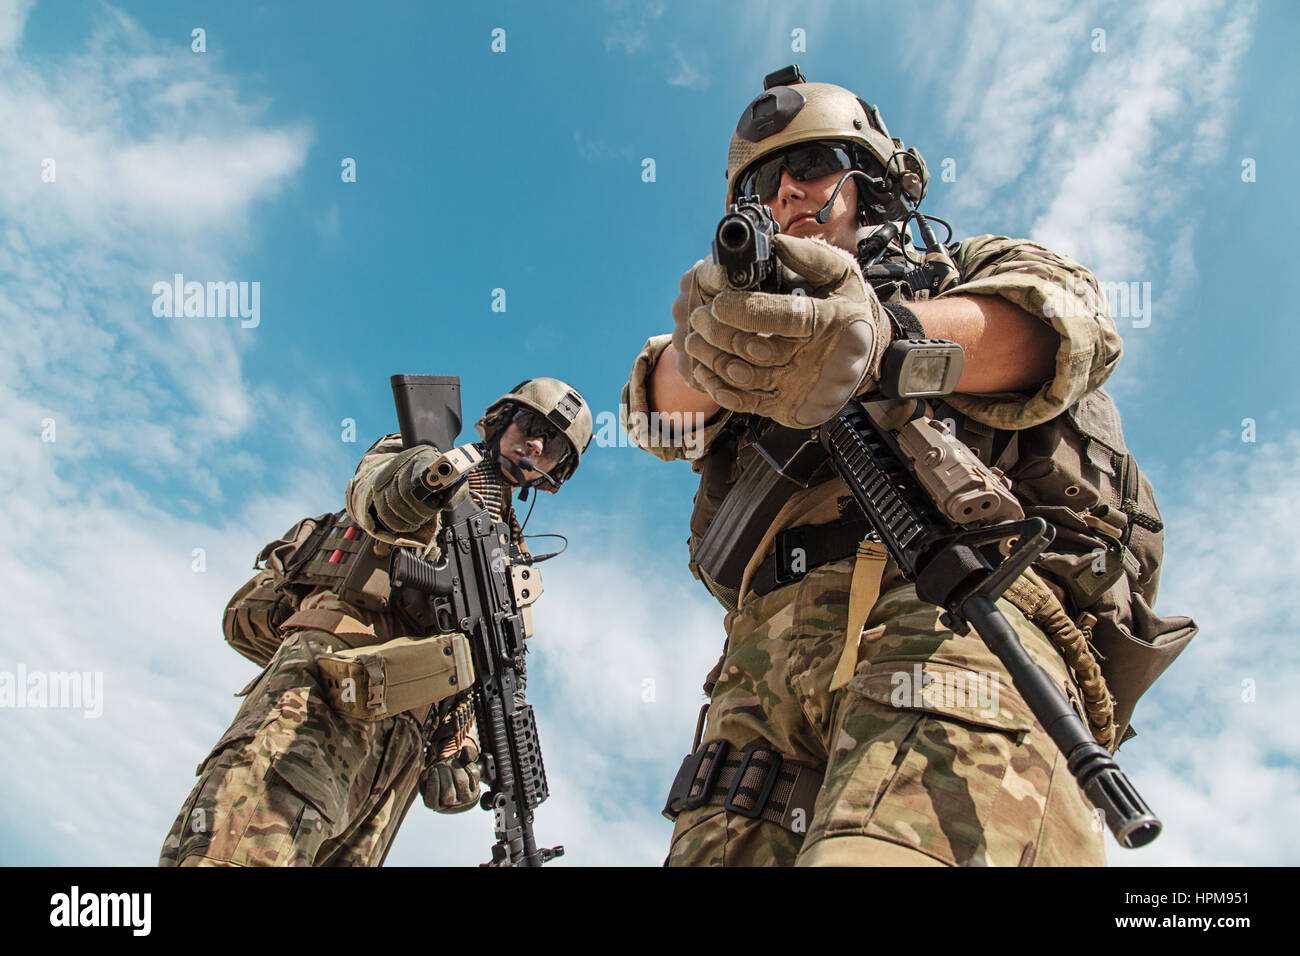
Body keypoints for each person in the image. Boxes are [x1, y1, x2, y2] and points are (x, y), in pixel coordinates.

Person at [624, 66, 1196, 866]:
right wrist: (715, 337)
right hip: (758, 674)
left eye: (813, 165)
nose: (786, 192)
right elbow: (657, 405)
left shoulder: (962, 272)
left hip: (958, 607)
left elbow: (1064, 323)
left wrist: (882, 339)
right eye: (761, 181)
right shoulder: (737, 327)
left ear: (874, 183)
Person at [160, 378, 592, 866]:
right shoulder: (431, 459)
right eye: (531, 425)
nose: (536, 444)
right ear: (500, 420)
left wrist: (462, 742)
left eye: (554, 444)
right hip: (326, 696)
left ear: (558, 470)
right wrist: (424, 478)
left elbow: (487, 678)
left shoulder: (516, 563)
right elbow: (377, 502)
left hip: (398, 756)